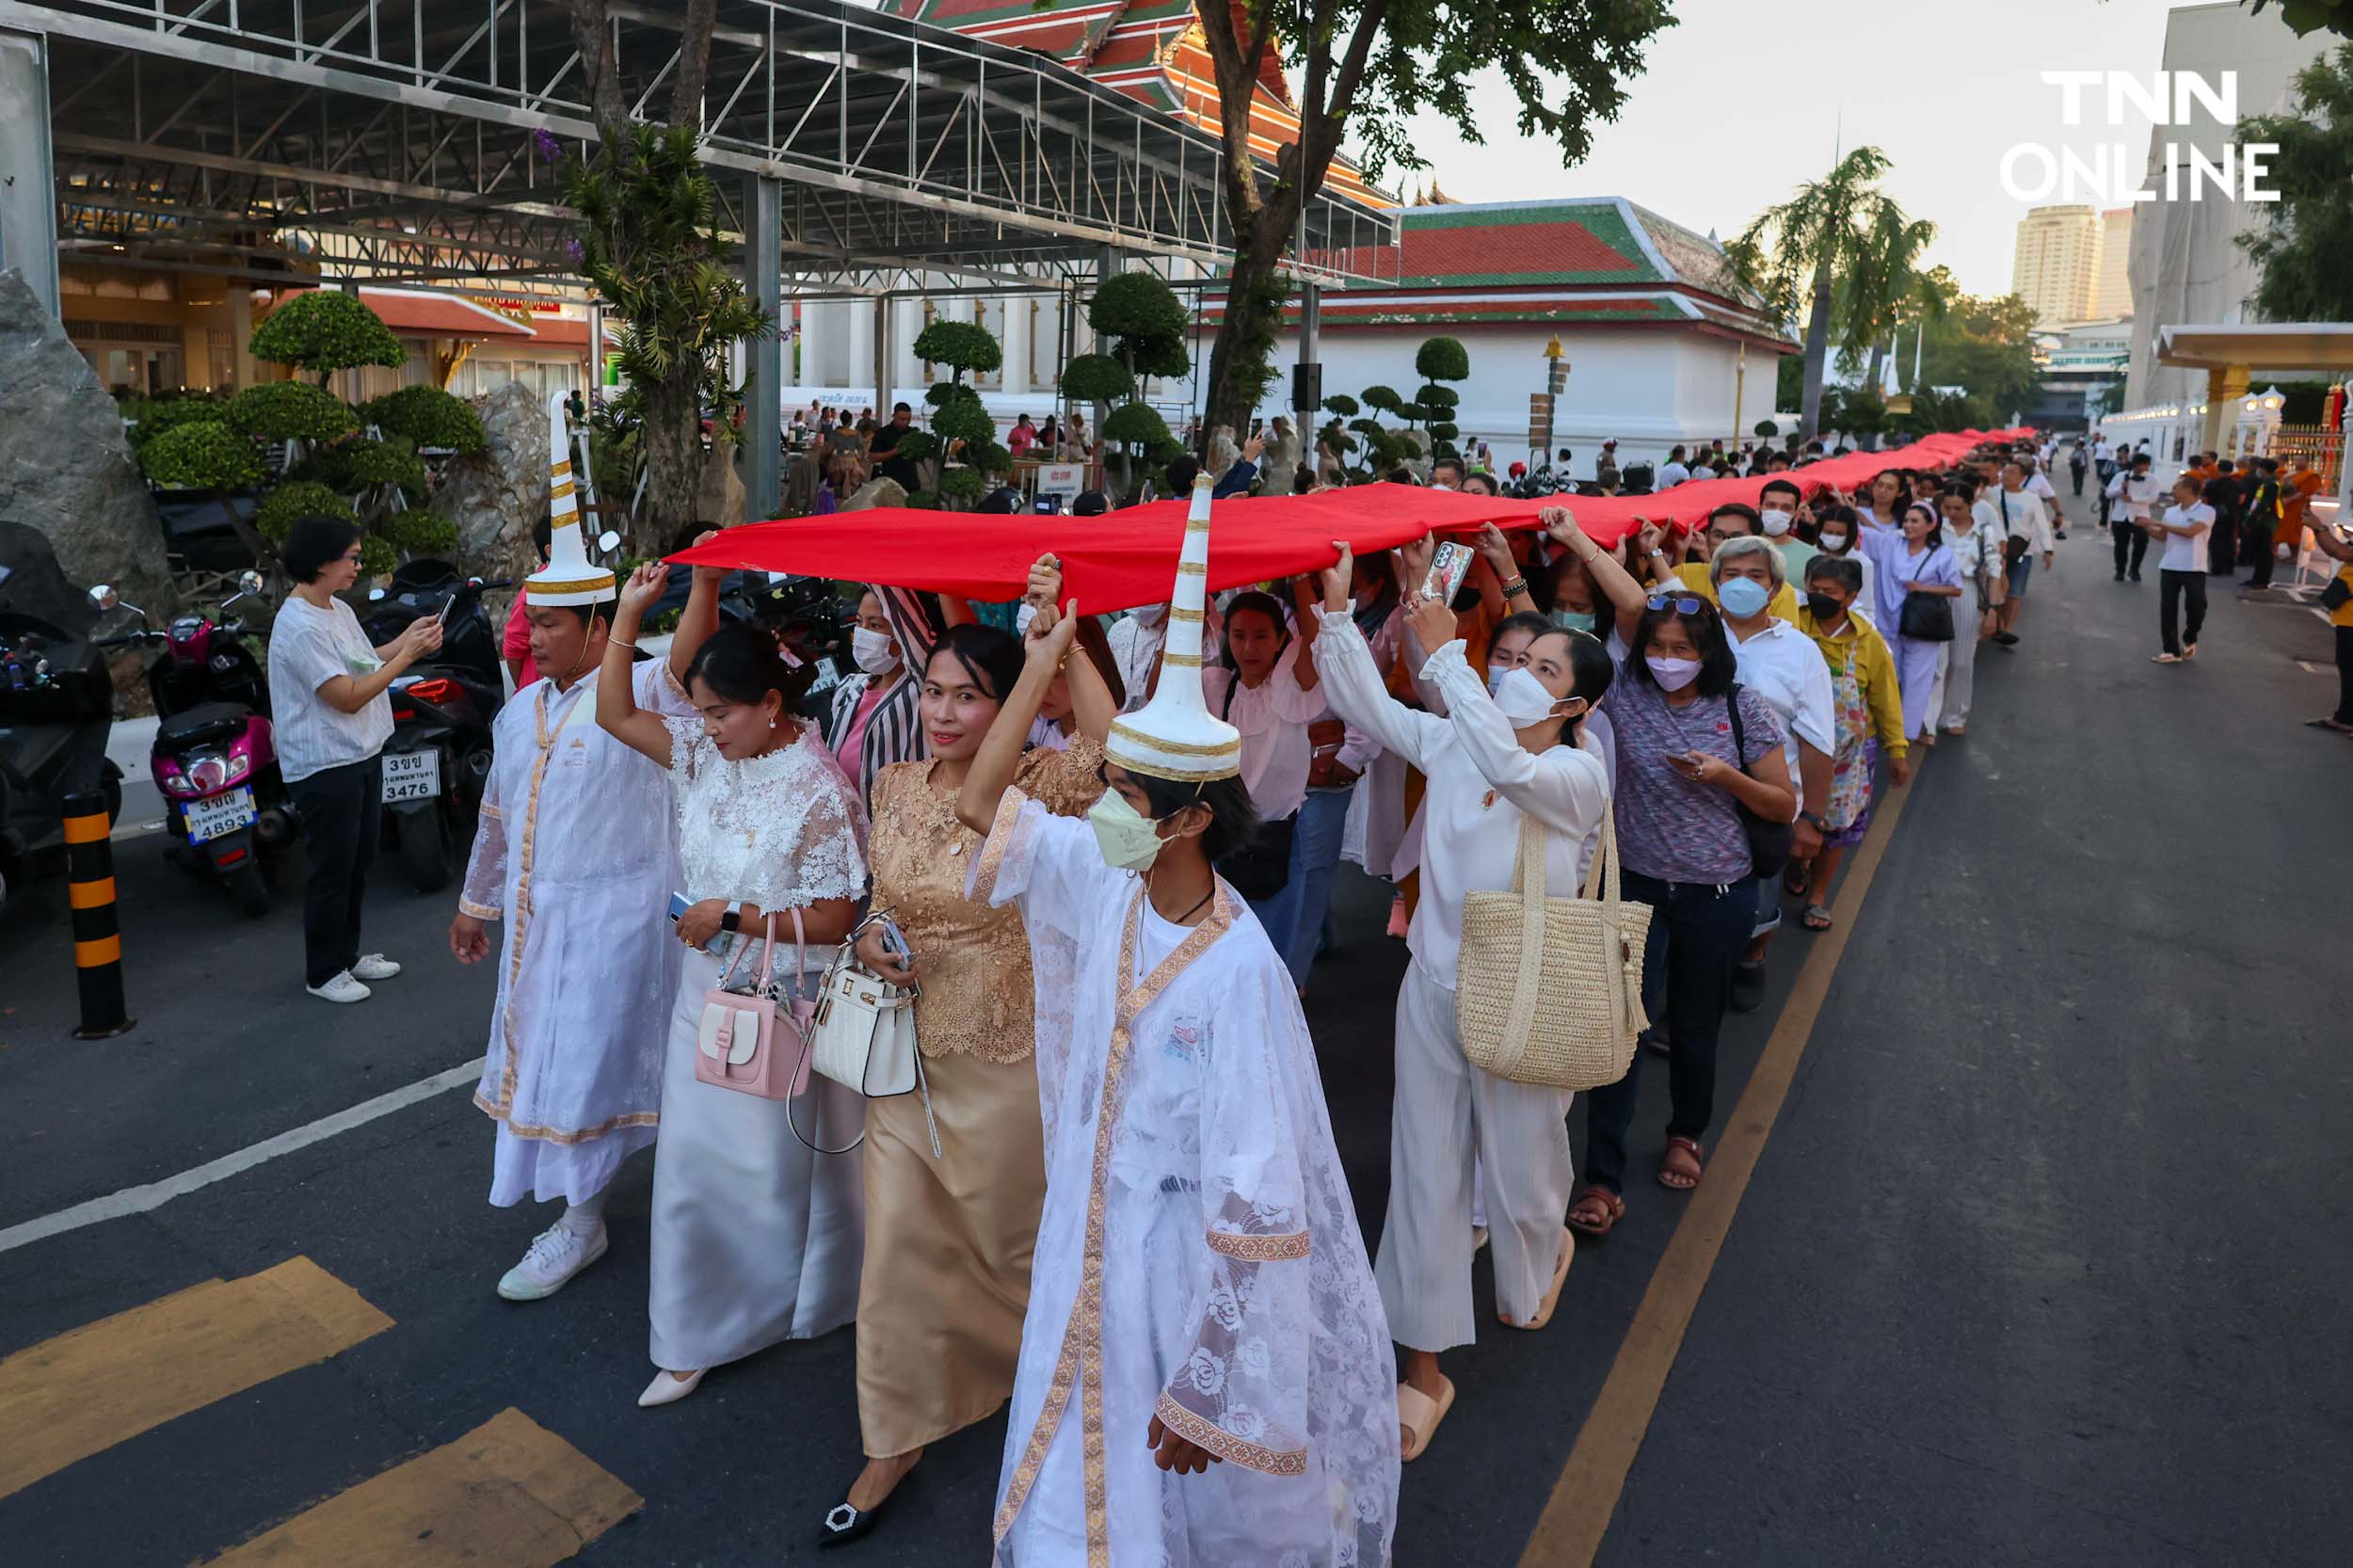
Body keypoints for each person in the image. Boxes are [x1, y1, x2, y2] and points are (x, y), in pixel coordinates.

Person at [953, 479, 1398, 1568]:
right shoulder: (1108, 877)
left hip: (1176, 1265)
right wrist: (1049, 657)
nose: (1096, 804)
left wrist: (1207, 1382)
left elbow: (1259, 1194)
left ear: (1193, 818)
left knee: (1190, 1497)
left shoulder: (1239, 968)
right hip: (1088, 1230)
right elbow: (980, 802)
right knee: (1081, 1473)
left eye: (1121, 793)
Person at [819, 561, 1114, 1546]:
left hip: (1005, 1053)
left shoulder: (1044, 785)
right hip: (903, 1054)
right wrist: (869, 934)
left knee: (1013, 1245)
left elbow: (1114, 747)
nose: (942, 712)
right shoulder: (897, 784)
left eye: (968, 695)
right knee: (896, 1246)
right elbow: (883, 900)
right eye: (935, 691)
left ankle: (1058, 1392)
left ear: (1009, 707)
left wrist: (1053, 650)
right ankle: (892, 1431)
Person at [1310, 514, 1610, 1462]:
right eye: (1516, 655)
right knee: (1425, 1177)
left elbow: (1509, 764)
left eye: (1546, 669)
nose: (1521, 669)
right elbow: (1369, 708)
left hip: (1523, 993)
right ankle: (1423, 1371)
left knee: (1523, 1178)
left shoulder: (1571, 772)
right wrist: (1337, 619)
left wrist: (1446, 657)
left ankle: (1542, 1237)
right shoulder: (1453, 742)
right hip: (1433, 989)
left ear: (1577, 707)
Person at [597, 567, 870, 1409]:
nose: (705, 728)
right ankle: (693, 1333)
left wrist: (733, 915)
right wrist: (631, 614)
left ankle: (805, 1297)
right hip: (703, 995)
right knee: (693, 1163)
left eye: (721, 712)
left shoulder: (821, 791)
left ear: (771, 706)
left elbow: (835, 919)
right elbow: (615, 713)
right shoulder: (707, 755)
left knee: (773, 1164)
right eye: (702, 711)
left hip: (781, 1000)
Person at [450, 512, 681, 1303]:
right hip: (538, 934)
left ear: (594, 626)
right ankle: (586, 1218)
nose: (531, 638)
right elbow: (497, 814)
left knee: (603, 1071)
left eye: (547, 624)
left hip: (624, 928)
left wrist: (657, 606)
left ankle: (588, 1223)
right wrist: (474, 905)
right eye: (528, 622)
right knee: (560, 1070)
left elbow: (685, 666)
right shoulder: (520, 713)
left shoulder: (646, 689)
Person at [1575, 593, 1792, 1228]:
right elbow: (1558, 651)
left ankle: (1685, 1133)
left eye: (1684, 650)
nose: (1668, 660)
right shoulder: (1624, 691)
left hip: (1717, 892)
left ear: (1709, 654)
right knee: (1623, 1029)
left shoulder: (1741, 707)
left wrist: (1726, 777)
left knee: (1695, 1025)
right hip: (1637, 885)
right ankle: (1602, 1178)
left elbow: (1781, 804)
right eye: (1657, 646)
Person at [265, 514, 441, 1003]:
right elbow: (345, 695)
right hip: (326, 764)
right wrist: (408, 658)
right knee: (332, 867)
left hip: (359, 752)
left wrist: (407, 641)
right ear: (322, 562)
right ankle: (322, 972)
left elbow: (364, 660)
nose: (358, 567)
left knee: (358, 859)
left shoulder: (334, 609)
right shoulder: (298, 626)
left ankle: (347, 954)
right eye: (353, 558)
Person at [1707, 537, 1833, 1013]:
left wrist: (1812, 820)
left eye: (1755, 576)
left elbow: (1818, 740)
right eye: (1731, 574)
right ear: (1716, 583)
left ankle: (1752, 957)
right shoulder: (1691, 637)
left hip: (1768, 803)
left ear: (1776, 587)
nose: (1742, 583)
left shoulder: (1800, 652)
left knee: (1759, 902)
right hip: (1699, 799)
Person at [1197, 583, 1326, 969]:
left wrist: (1302, 579)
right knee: (1220, 945)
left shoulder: (1290, 685)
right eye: (1239, 636)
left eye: (1260, 636)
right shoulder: (1215, 686)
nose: (1249, 648)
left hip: (1278, 836)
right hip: (1222, 835)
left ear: (1281, 639)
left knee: (1271, 953)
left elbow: (1314, 643)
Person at [1787, 555, 1907, 930]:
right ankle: (1797, 860)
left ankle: (1819, 896)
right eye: (1814, 589)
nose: (1819, 597)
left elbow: (1886, 698)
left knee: (1835, 828)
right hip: (1795, 748)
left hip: (1850, 756)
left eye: (1829, 592)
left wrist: (1897, 749)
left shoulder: (1869, 642)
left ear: (1851, 596)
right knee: (1789, 816)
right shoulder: (1793, 629)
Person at [1857, 502, 1964, 744]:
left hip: (1922, 625)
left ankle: (1906, 733)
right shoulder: (1891, 543)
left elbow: (1956, 589)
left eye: (1915, 521)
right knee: (1886, 676)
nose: (1908, 525)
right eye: (1906, 520)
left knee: (1917, 679)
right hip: (1888, 623)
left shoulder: (1942, 554)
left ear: (1930, 525)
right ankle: (1885, 725)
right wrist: (1851, 509)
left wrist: (1922, 588)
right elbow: (1866, 533)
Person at [824, 589, 922, 797]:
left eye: (875, 625)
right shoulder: (848, 689)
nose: (862, 632)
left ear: (903, 631)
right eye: (859, 622)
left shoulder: (923, 691)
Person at [1935, 485, 1998, 735]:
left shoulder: (1984, 532)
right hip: (1936, 592)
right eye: (1947, 507)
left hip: (1968, 592)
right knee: (1937, 661)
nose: (1951, 513)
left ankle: (1955, 715)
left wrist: (1992, 610)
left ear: (1971, 504)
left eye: (1957, 508)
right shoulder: (1936, 527)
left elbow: (1994, 571)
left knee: (1961, 660)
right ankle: (1930, 716)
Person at [1672, 504, 1800, 619]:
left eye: (1737, 537)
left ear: (1757, 540)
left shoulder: (1781, 591)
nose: (1726, 543)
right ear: (1706, 537)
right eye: (1718, 535)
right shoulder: (1683, 573)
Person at [2143, 474, 2215, 664]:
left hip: (2194, 566)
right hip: (2170, 565)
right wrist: (2146, 527)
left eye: (2176, 488)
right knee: (2167, 608)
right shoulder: (2171, 512)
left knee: (2197, 606)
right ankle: (2170, 650)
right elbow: (2163, 537)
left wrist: (2158, 523)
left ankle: (2190, 637)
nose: (2173, 491)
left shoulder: (2206, 511)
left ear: (2189, 490)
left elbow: (2191, 532)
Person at [1991, 460, 2056, 647]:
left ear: (2022, 478)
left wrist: (2048, 549)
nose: (2006, 475)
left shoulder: (2031, 498)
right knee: (1998, 589)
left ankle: (2008, 629)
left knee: (2015, 592)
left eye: (2011, 472)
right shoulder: (1992, 494)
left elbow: (2042, 525)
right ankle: (2000, 626)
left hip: (2021, 551)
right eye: (2005, 471)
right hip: (1995, 551)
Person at [2307, 515, 2353, 735]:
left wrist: (2319, 527)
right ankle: (2345, 718)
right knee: (2347, 666)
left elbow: (2341, 553)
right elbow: (2337, 550)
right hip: (2347, 615)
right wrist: (2318, 530)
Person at [502, 518, 552, 690]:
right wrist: (526, 690)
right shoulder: (533, 593)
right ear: (549, 551)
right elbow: (513, 650)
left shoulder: (585, 586)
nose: (583, 547)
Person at [2105, 452, 2162, 584]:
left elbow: (2153, 498)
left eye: (2144, 466)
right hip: (2120, 516)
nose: (2141, 469)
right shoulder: (2120, 476)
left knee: (2141, 544)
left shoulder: (2152, 479)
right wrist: (2121, 488)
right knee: (2120, 545)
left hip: (2141, 516)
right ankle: (2120, 571)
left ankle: (2135, 569)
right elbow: (2108, 493)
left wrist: (2134, 499)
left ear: (2148, 466)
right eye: (2138, 466)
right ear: (2134, 464)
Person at [2239, 457, 2284, 594]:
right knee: (2259, 551)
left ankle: (2262, 581)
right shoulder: (2267, 483)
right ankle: (2256, 578)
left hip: (2266, 521)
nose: (2258, 470)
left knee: (2265, 552)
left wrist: (2250, 520)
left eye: (2259, 468)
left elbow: (2264, 505)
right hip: (2261, 520)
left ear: (2263, 469)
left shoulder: (2272, 485)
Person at [2201, 458, 2245, 575]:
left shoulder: (2212, 483)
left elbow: (2204, 499)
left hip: (2216, 513)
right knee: (2229, 540)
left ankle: (2217, 568)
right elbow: (2242, 499)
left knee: (2216, 541)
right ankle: (2229, 567)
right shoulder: (2237, 483)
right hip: (2232, 514)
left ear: (2218, 469)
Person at [870, 402, 919, 488]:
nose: (905, 422)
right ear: (894, 416)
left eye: (908, 419)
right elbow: (873, 458)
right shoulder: (882, 433)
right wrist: (895, 451)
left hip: (911, 482)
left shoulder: (913, 433)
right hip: (890, 482)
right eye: (902, 419)